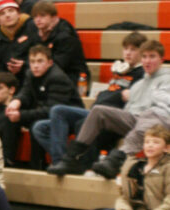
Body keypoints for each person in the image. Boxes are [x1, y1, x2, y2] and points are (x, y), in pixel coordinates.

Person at [48, 40, 170, 178]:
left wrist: (153, 95)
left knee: (149, 116)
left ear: (161, 60)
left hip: (160, 122)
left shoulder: (167, 78)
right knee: (98, 111)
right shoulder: (139, 84)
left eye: (152, 56)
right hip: (135, 120)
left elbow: (165, 108)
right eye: (145, 57)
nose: (147, 61)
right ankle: (72, 159)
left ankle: (115, 161)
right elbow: (128, 112)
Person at [39, 32, 145, 170]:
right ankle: (61, 161)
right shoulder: (120, 71)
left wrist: (112, 95)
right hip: (94, 111)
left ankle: (70, 163)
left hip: (108, 116)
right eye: (126, 49)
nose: (128, 53)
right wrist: (108, 94)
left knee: (78, 120)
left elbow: (124, 98)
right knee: (43, 125)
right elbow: (113, 93)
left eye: (133, 49)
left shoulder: (141, 74)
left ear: (141, 52)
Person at [7, 44, 83, 168]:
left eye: (40, 61)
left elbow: (51, 110)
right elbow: (26, 92)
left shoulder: (57, 78)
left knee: (36, 124)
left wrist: (21, 115)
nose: (35, 65)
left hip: (71, 118)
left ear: (50, 62)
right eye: (32, 62)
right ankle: (8, 161)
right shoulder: (30, 74)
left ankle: (48, 164)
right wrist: (17, 101)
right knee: (9, 118)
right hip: (49, 114)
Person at [28, 1, 88, 86]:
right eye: (35, 16)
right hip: (47, 74)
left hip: (71, 77)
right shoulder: (36, 32)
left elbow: (60, 64)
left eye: (42, 16)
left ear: (53, 17)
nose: (38, 20)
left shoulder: (66, 35)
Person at [0, 0, 37, 85]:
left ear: (18, 14)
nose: (7, 15)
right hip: (10, 83)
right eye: (2, 13)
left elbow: (43, 54)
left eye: (11, 11)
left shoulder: (33, 28)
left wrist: (25, 64)